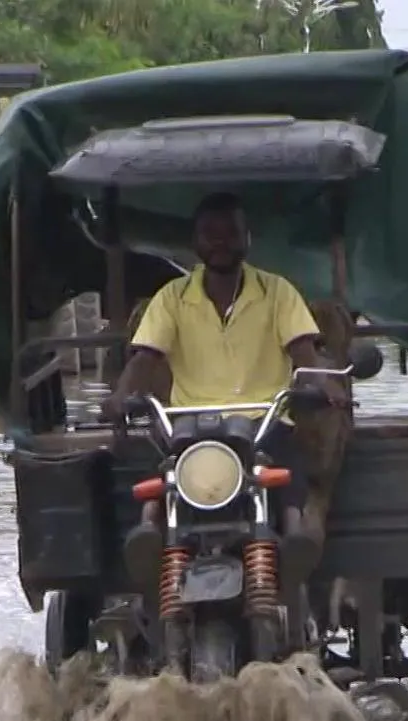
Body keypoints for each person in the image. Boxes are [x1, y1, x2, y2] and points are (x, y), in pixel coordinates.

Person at [108, 192, 345, 584]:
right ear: (195, 242)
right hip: (190, 424)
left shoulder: (278, 292)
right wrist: (121, 396)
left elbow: (304, 353)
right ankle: (148, 532)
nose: (221, 242)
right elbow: (144, 358)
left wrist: (323, 383)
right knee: (165, 472)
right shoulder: (172, 298)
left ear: (247, 239)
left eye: (230, 233)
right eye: (210, 233)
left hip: (264, 421)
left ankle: (296, 539)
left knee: (288, 477)